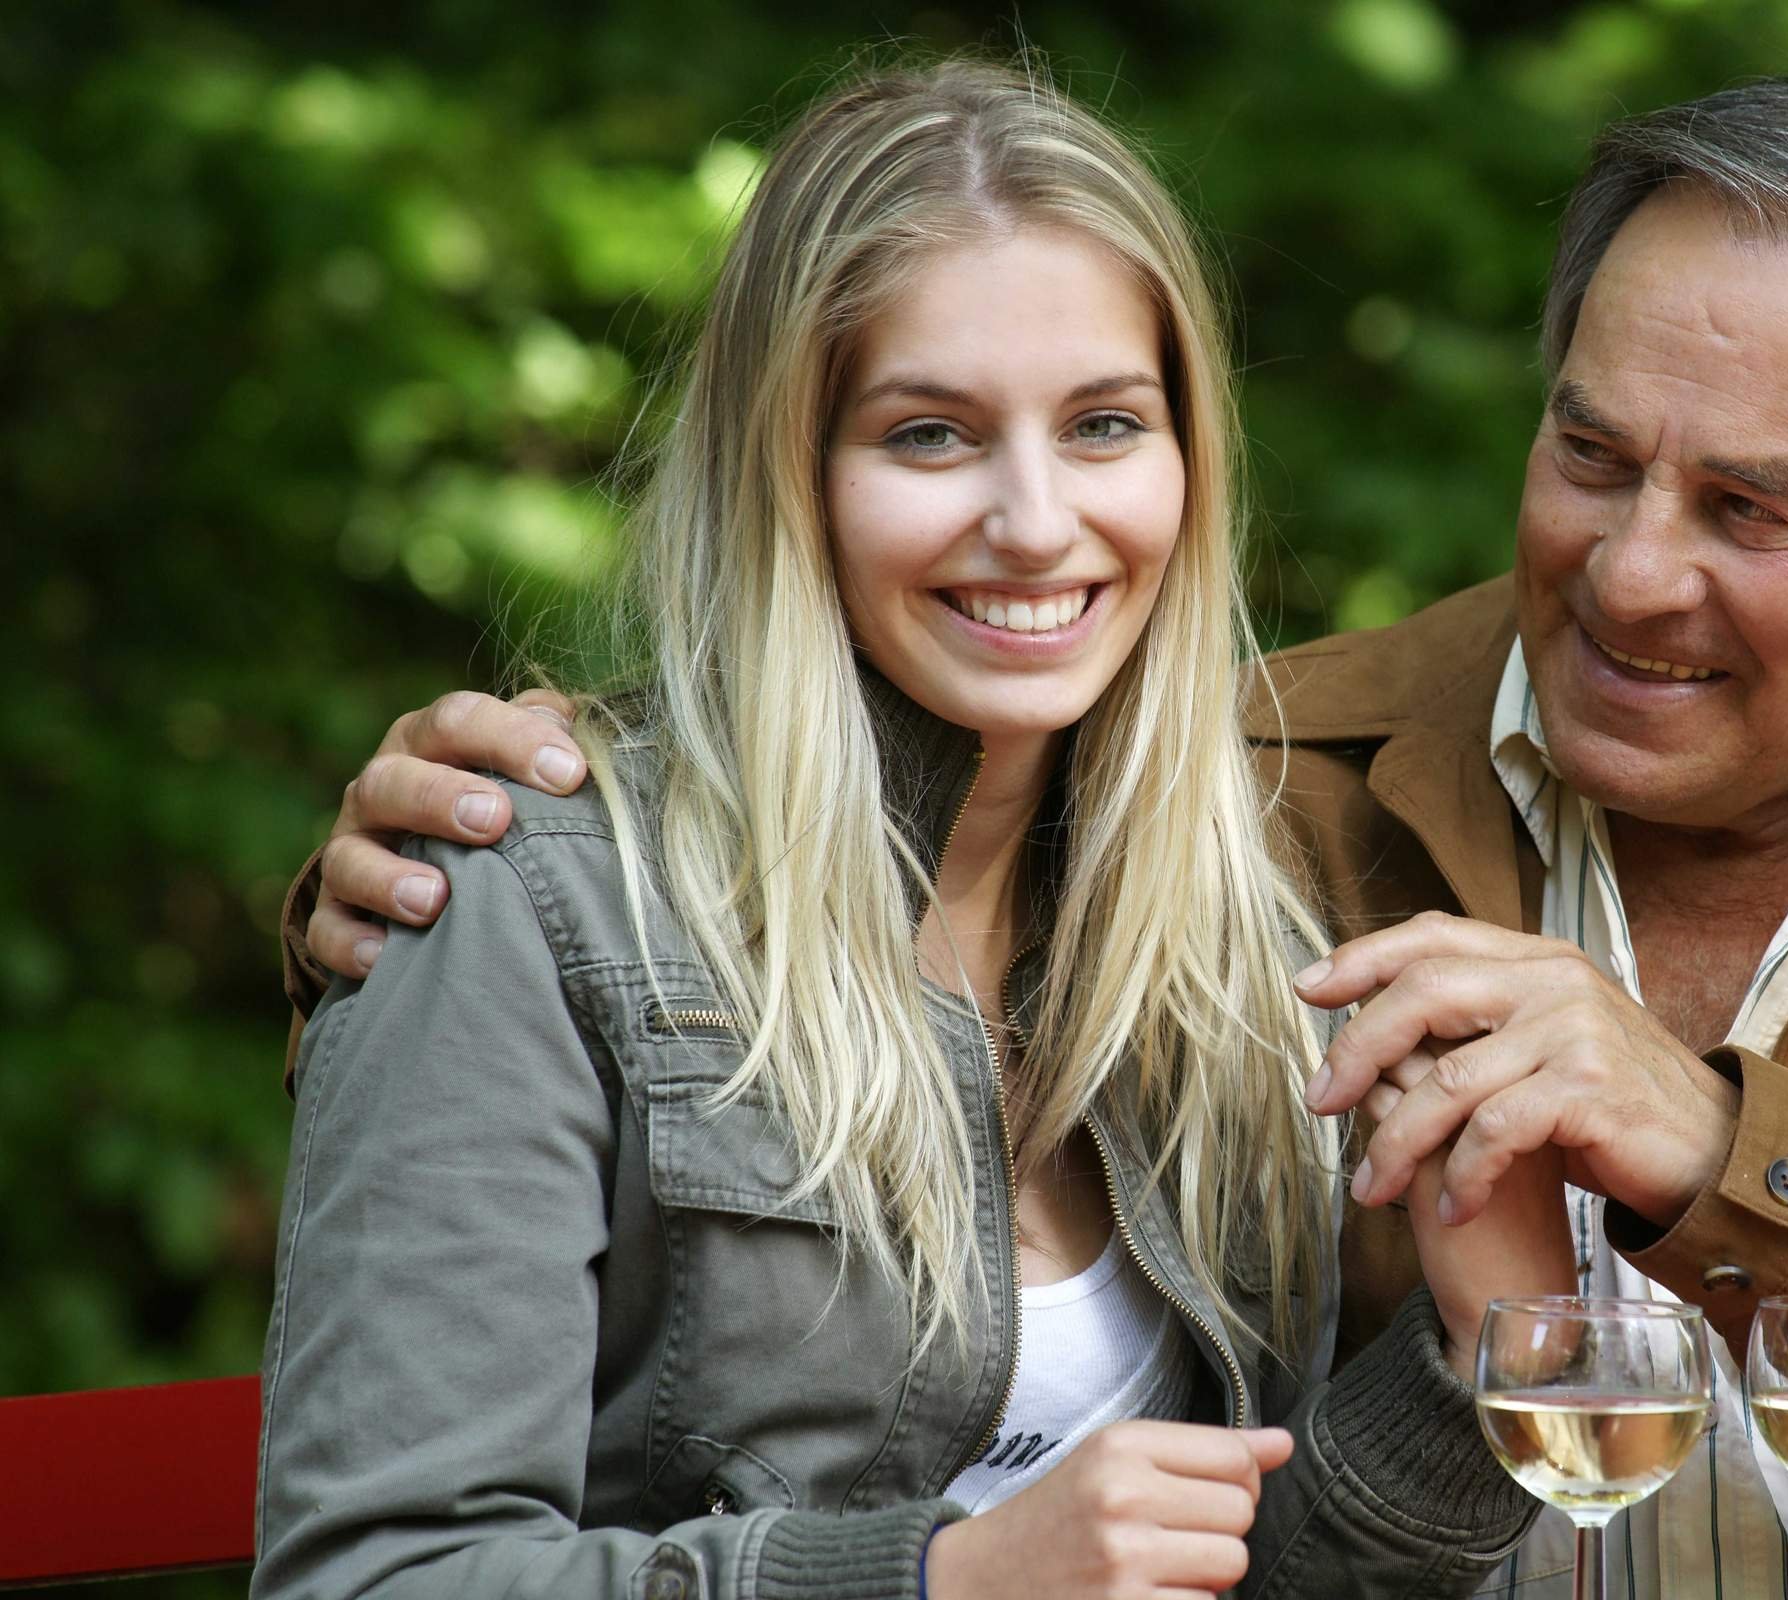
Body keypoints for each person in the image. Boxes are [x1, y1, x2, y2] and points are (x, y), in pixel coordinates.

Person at [282, 79, 1788, 1599]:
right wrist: (420, 906)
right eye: (1591, 455)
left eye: (1750, 508)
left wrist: (1717, 1156)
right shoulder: (1239, 792)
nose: (1632, 571)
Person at [254, 58, 1574, 1600]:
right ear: (787, 473)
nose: (1033, 520)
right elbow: (372, 1581)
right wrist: (938, 1584)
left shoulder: (1239, 941)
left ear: (1188, 461)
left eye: (1103, 425)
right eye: (930, 434)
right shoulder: (531, 900)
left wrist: (1475, 1373)